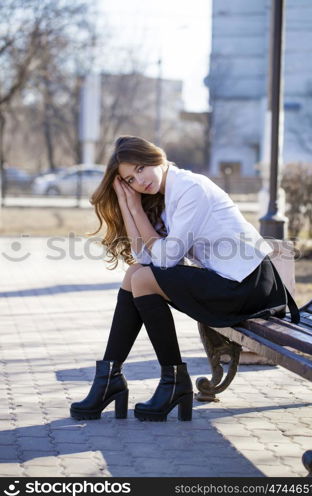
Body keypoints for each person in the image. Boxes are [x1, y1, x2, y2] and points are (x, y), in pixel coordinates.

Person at [70, 135, 299, 423]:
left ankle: (174, 383)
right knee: (135, 275)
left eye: (140, 169)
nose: (138, 182)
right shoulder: (169, 194)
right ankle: (109, 378)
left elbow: (165, 260)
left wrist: (137, 208)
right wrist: (128, 204)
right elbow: (144, 257)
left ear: (156, 157)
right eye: (129, 180)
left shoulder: (190, 189)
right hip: (231, 281)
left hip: (250, 285)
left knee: (143, 280)